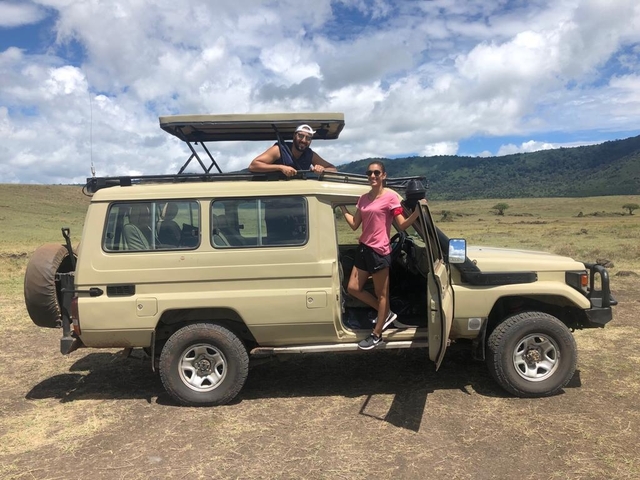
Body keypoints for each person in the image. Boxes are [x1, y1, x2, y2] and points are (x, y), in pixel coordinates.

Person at [340, 161, 424, 350]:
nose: (372, 176)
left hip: (379, 251)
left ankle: (377, 334)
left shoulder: (391, 198)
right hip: (364, 248)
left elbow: (401, 225)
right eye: (369, 173)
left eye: (377, 173)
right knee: (353, 288)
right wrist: (343, 210)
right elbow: (355, 224)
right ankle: (384, 313)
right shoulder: (363, 199)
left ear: (383, 175)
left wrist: (417, 212)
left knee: (382, 294)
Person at [248, 124, 337, 177]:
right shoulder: (279, 150)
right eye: (301, 136)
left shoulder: (310, 155)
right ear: (294, 136)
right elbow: (253, 166)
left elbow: (333, 169)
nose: (304, 140)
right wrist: (280, 167)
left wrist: (322, 169)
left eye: (308, 138)